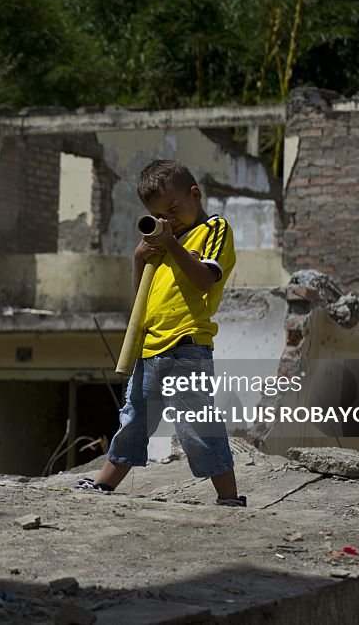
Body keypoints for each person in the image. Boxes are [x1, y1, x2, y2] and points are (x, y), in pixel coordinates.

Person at [76, 159, 245, 507]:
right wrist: (140, 259)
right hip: (150, 348)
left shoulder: (213, 230)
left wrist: (172, 245)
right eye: (159, 216)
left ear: (194, 194)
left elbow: (203, 279)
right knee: (134, 419)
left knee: (197, 426)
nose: (168, 220)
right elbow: (143, 298)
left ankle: (229, 498)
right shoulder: (164, 244)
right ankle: (105, 484)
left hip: (187, 346)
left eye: (173, 209)